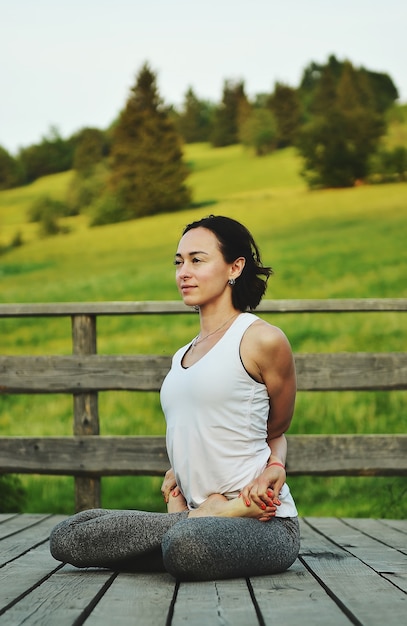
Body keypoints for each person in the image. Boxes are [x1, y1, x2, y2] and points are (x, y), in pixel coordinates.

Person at [50, 215, 300, 581]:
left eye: (197, 260)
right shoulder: (182, 355)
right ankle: (204, 515)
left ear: (235, 267)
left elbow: (276, 427)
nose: (184, 271)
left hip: (265, 522)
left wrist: (275, 468)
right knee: (69, 536)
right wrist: (180, 478)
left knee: (185, 548)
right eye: (179, 262)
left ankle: (221, 512)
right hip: (193, 515)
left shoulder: (261, 339)